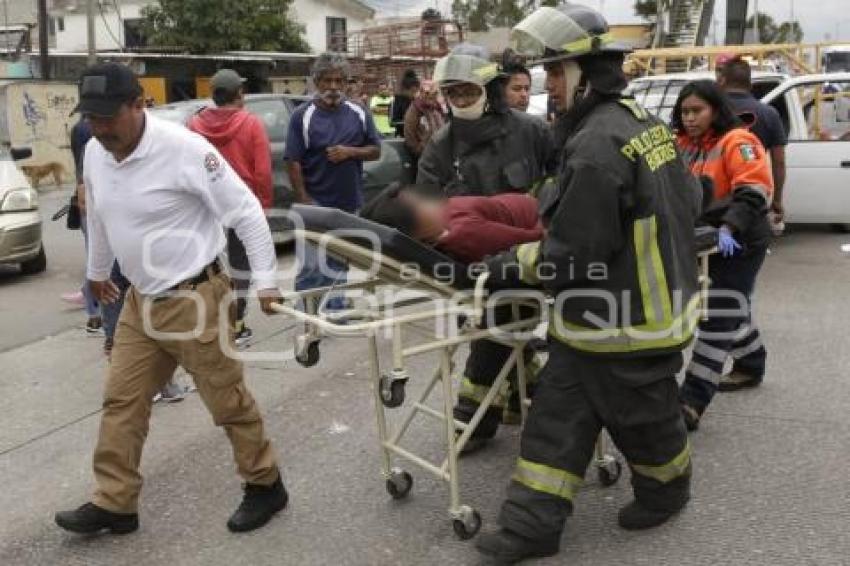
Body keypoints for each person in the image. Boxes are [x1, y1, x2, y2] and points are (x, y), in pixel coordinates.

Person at [474, 4, 700, 562]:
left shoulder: (597, 144)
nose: (549, 86)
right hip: (621, 319)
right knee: (557, 423)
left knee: (646, 425)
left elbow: (575, 254)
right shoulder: (644, 126)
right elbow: (690, 203)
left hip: (624, 326)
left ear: (585, 73)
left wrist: (510, 265)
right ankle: (531, 527)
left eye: (555, 73)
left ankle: (667, 489)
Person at [54, 62, 287, 536]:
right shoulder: (98, 152)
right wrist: (97, 274)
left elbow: (245, 211)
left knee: (226, 400)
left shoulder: (185, 149)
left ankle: (265, 484)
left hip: (194, 297)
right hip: (141, 301)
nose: (98, 129)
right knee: (122, 401)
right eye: (91, 119)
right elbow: (96, 212)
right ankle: (115, 502)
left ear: (139, 104)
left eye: (107, 118)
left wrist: (265, 279)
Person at [416, 42, 554, 447]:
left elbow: (561, 181)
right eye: (453, 92)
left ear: (489, 89)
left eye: (468, 91)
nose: (461, 100)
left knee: (497, 328)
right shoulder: (441, 146)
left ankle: (475, 417)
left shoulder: (530, 131)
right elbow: (427, 208)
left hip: (528, 249)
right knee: (501, 327)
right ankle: (521, 398)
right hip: (471, 260)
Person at [672, 80, 774, 431]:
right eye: (685, 111)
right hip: (707, 238)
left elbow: (755, 190)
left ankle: (691, 400)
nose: (689, 118)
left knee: (718, 314)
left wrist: (730, 226)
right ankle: (752, 361)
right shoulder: (681, 145)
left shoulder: (739, 142)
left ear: (715, 109)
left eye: (697, 110)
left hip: (741, 238)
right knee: (730, 305)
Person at [285, 53, 381, 311]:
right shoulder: (302, 116)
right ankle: (308, 312)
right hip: (315, 201)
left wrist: (350, 152)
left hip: (348, 202)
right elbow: (292, 161)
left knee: (339, 260)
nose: (334, 87)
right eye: (327, 81)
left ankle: (335, 308)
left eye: (339, 81)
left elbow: (375, 150)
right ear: (316, 82)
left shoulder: (358, 112)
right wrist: (304, 200)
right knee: (312, 263)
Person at [189, 68, 273, 347]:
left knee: (210, 266)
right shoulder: (252, 124)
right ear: (238, 93)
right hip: (241, 206)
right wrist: (264, 207)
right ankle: (236, 324)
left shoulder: (194, 125)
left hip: (206, 207)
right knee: (241, 267)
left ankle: (210, 322)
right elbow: (262, 172)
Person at [715, 56, 783, 392]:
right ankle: (751, 361)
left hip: (719, 218)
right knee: (733, 294)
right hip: (752, 212)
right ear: (750, 80)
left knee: (725, 298)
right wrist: (777, 200)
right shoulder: (769, 114)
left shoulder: (711, 111)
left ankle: (746, 365)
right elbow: (778, 162)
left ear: (722, 79)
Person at [361, 183, 542, 263]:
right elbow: (537, 238)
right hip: (542, 215)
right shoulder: (465, 234)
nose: (430, 202)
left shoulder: (446, 226)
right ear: (415, 231)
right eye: (420, 204)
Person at [61, 117, 102, 334]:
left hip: (87, 196)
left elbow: (78, 165)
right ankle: (95, 312)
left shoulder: (80, 128)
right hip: (92, 198)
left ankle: (94, 313)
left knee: (95, 256)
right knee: (100, 258)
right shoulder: (89, 135)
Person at [403, 79, 445, 159]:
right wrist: (421, 151)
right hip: (425, 156)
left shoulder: (437, 108)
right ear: (421, 93)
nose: (430, 95)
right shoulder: (414, 110)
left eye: (434, 93)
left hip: (441, 154)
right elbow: (410, 137)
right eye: (427, 93)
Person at [390, 69, 420, 137]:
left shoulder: (417, 101)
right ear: (405, 89)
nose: (414, 94)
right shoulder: (397, 101)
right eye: (412, 91)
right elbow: (393, 121)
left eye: (416, 91)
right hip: (403, 135)